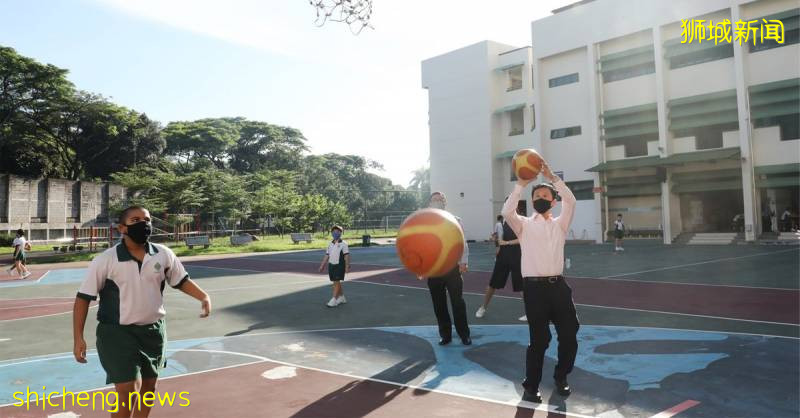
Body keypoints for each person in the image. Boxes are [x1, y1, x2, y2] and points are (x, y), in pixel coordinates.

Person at [73, 205, 211, 417]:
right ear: (122, 228)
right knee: (128, 392)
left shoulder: (163, 254)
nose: (143, 224)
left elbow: (180, 280)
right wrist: (78, 338)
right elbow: (83, 299)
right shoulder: (106, 260)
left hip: (153, 332)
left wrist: (203, 296)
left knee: (148, 390)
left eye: (146, 220)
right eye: (135, 220)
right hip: (117, 333)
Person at [502, 159, 578, 403]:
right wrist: (520, 185)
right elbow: (507, 212)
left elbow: (571, 201)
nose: (540, 198)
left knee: (569, 335)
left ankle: (561, 376)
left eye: (545, 195)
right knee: (540, 339)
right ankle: (531, 386)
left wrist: (553, 178)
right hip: (534, 290)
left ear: (553, 202)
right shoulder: (523, 225)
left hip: (559, 287)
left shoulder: (560, 224)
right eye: (536, 196)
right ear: (532, 201)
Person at [420, 192, 471, 346]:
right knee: (439, 304)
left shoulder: (455, 220)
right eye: (435, 199)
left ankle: (464, 334)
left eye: (440, 199)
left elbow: (462, 241)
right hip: (434, 269)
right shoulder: (424, 222)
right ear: (429, 203)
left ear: (445, 202)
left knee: (458, 302)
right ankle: (445, 335)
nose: (438, 201)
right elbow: (421, 246)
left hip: (452, 268)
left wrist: (463, 261)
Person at [476, 207, 524, 319]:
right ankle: (483, 307)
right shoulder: (501, 223)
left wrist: (506, 243)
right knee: (493, 284)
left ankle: (530, 312)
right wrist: (494, 239)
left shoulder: (521, 221)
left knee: (522, 286)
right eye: (508, 205)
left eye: (513, 206)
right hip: (503, 257)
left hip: (517, 256)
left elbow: (523, 239)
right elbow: (498, 239)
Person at [318, 225, 351, 307]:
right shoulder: (330, 244)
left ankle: (334, 299)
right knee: (336, 282)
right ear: (332, 233)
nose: (335, 233)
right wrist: (322, 265)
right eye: (333, 231)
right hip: (331, 265)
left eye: (337, 231)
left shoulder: (344, 244)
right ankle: (342, 297)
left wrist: (347, 266)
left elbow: (346, 256)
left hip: (339, 265)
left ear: (341, 233)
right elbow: (327, 255)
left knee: (336, 282)